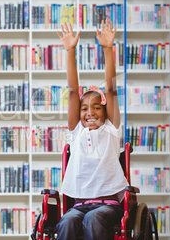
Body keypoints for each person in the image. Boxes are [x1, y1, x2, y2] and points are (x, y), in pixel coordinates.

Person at [55, 19, 128, 240]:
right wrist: (70, 51)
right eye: (85, 108)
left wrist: (107, 49)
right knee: (66, 221)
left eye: (97, 107)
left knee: (92, 219)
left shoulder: (111, 130)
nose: (90, 113)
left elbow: (111, 89)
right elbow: (73, 89)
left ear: (105, 112)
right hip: (79, 205)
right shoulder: (76, 131)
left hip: (108, 205)